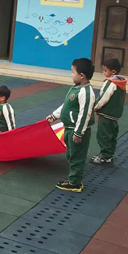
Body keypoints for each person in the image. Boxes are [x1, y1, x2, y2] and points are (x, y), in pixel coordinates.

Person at [46, 58, 95, 192]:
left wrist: (78, 133)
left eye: (73, 72)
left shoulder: (86, 92)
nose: (71, 75)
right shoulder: (75, 88)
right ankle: (73, 179)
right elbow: (66, 105)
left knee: (77, 156)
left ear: (81, 75)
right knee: (71, 154)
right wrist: (54, 115)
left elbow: (85, 114)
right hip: (68, 128)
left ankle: (75, 183)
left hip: (76, 131)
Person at [91, 58, 127, 165]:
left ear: (113, 72)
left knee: (103, 135)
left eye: (105, 70)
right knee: (111, 135)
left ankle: (105, 156)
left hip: (106, 114)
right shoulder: (121, 83)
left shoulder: (110, 83)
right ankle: (109, 154)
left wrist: (94, 107)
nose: (103, 72)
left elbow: (103, 97)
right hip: (114, 115)